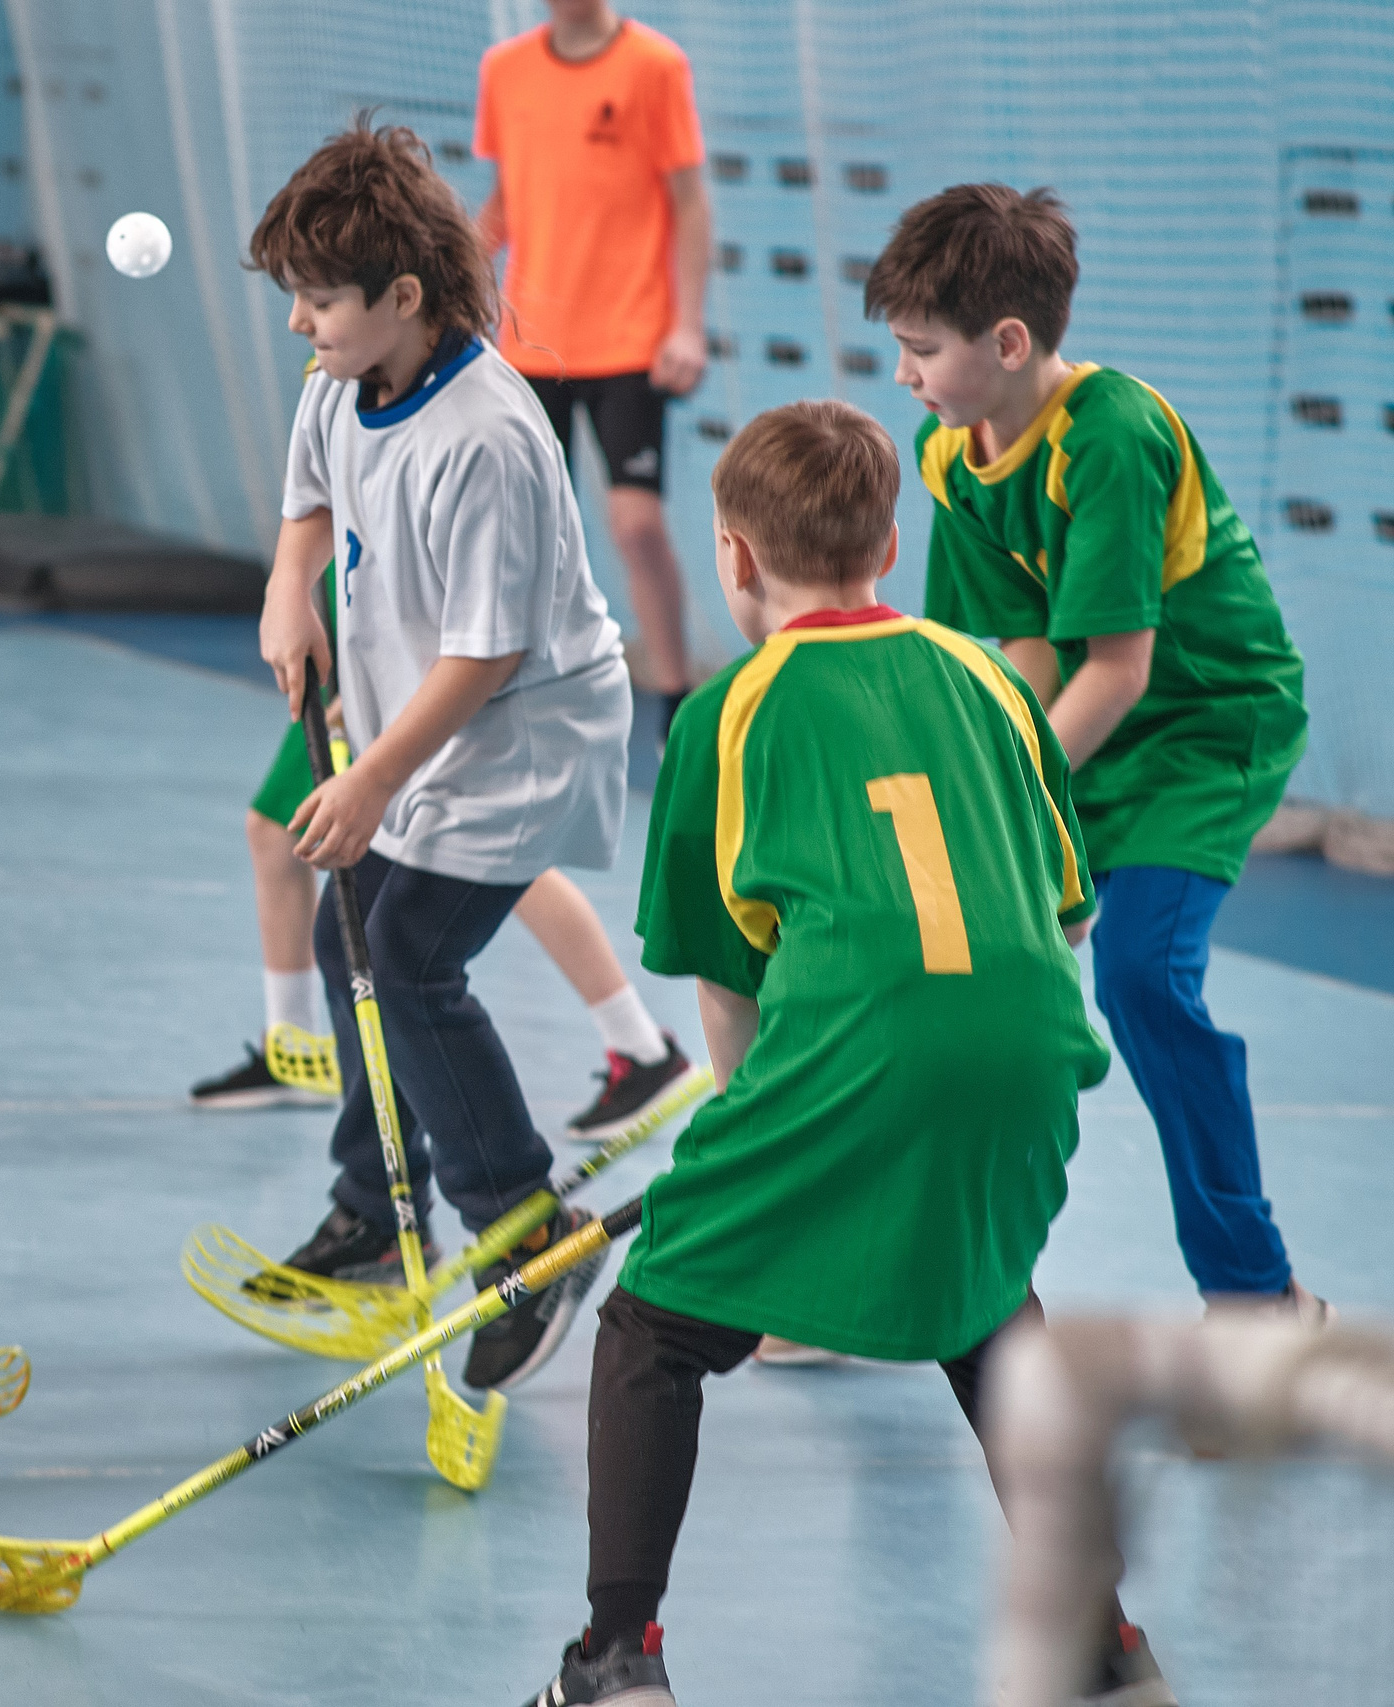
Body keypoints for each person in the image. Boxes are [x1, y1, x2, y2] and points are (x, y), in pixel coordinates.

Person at [523, 401, 1173, 1707]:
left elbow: (728, 998)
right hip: (1035, 1047)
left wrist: (752, 1139)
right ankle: (1105, 1646)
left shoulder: (730, 713)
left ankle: (615, 1657)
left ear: (735, 558)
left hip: (860, 1051)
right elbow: (1068, 906)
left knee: (653, 1322)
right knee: (986, 1308)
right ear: (890, 537)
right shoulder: (991, 674)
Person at [865, 185, 1324, 1322]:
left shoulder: (1110, 437)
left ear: (1007, 342)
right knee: (977, 974)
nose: (903, 375)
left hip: (1205, 727)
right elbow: (1028, 654)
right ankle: (933, 1277)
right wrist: (987, 786)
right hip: (1089, 728)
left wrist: (1010, 796)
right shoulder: (948, 454)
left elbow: (1116, 669)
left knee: (1138, 982)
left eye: (922, 350)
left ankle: (1256, 1301)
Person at [248, 120, 631, 1392]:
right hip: (423, 722)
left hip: (523, 740)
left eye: (318, 300)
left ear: (402, 297)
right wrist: (286, 589)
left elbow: (486, 661)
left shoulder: (487, 440)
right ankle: (376, 1203)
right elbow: (309, 502)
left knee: (404, 956)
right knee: (347, 931)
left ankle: (528, 1230)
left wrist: (366, 779)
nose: (300, 325)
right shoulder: (341, 384)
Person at [193, 688, 697, 1142]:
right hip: (365, 658)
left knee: (488, 853)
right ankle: (295, 1043)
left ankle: (639, 1045)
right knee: (280, 832)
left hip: (413, 675)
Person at [474, 0, 710, 743]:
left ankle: (676, 698)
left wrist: (688, 325)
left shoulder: (654, 66)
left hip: (632, 341)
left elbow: (691, 203)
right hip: (531, 342)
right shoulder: (504, 70)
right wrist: (454, 280)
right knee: (527, 529)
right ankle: (519, 689)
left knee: (635, 526)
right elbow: (508, 200)